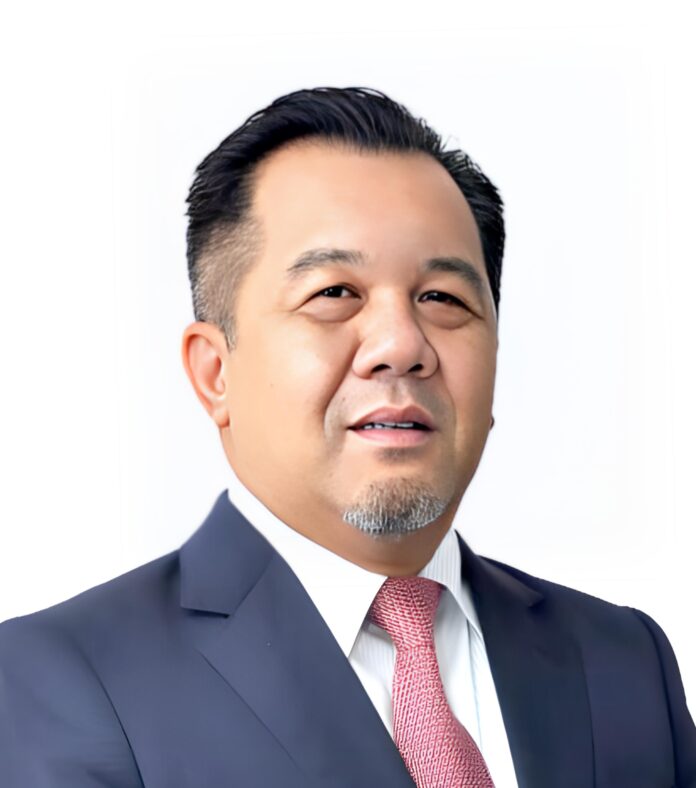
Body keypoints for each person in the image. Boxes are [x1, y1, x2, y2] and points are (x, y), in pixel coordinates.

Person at [0, 86, 694, 788]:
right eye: (334, 293)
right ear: (215, 373)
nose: (401, 345)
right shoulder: (60, 678)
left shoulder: (624, 662)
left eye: (443, 298)